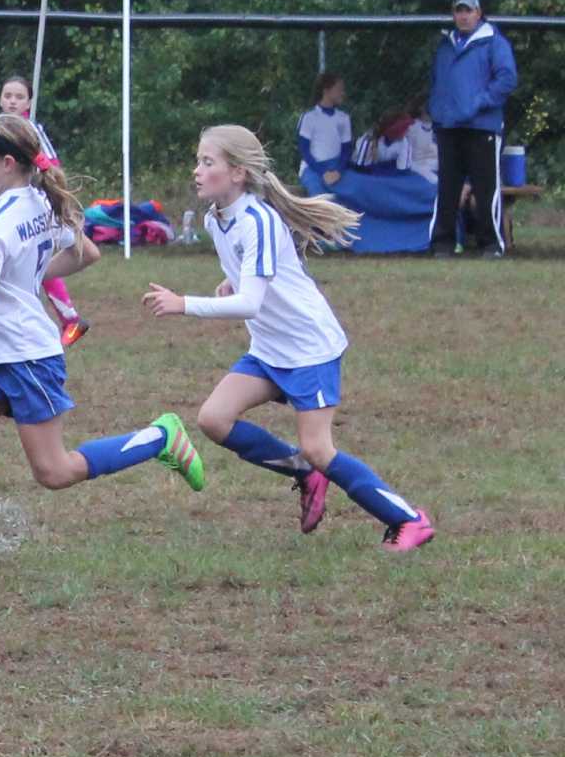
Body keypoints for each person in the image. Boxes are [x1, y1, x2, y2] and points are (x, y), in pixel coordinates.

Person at [0, 114, 205, 581]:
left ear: (7, 163)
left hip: (28, 358)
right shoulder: (42, 201)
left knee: (55, 472)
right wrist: (26, 276)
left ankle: (161, 437)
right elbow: (86, 253)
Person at [141, 125, 434, 550]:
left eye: (208, 163)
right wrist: (230, 280)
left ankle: (409, 519)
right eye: (199, 162)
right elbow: (253, 273)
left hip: (308, 348)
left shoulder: (257, 220)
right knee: (213, 420)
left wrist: (184, 303)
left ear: (238, 173)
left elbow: (250, 305)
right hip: (270, 350)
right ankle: (304, 474)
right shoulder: (214, 219)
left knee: (319, 449)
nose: (197, 171)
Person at [0, 73, 89, 347]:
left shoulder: (30, 131)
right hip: (6, 207)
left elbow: (51, 165)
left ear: (29, 102)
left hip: (34, 206)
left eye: (19, 97)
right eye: (8, 96)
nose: (12, 101)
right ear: (0, 99)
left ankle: (70, 318)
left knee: (34, 264)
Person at [427, 0, 517, 258]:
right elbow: (437, 82)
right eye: (459, 11)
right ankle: (441, 244)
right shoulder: (446, 46)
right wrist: (438, 110)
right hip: (449, 127)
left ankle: (491, 244)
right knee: (447, 188)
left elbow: (507, 79)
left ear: (479, 13)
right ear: (453, 14)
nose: (463, 16)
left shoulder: (495, 43)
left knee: (485, 188)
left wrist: (479, 102)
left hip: (482, 127)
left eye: (468, 10)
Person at [297, 72, 353, 194]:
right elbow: (304, 149)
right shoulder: (309, 117)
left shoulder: (343, 118)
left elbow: (347, 149)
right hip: (313, 169)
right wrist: (323, 172)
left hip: (337, 168)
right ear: (326, 90)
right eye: (339, 89)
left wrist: (338, 171)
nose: (342, 93)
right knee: (319, 197)